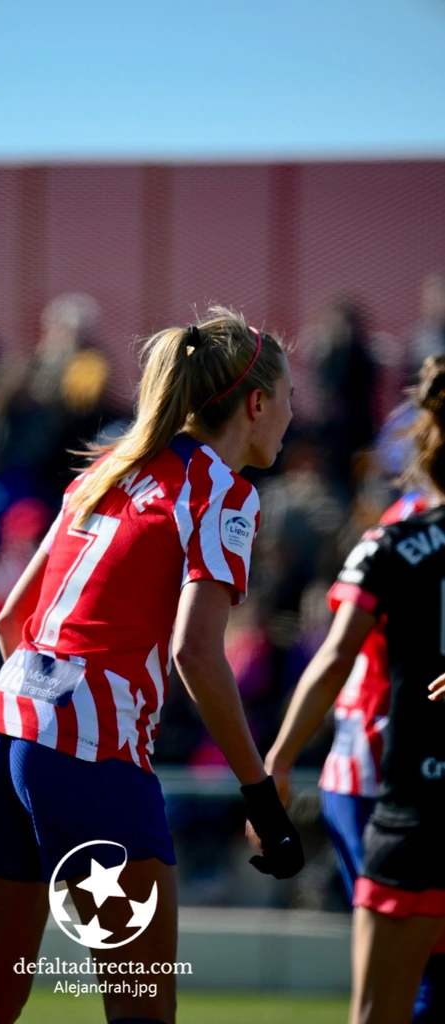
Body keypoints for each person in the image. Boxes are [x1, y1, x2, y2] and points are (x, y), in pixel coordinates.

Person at [0, 307, 303, 1024]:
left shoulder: (109, 466)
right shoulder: (222, 492)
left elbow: (11, 619)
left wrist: (40, 735)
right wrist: (260, 796)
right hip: (89, 748)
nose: (292, 414)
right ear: (257, 404)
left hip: (2, 726)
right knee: (141, 1011)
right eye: (288, 396)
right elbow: (196, 652)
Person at [263, 355, 445, 1024]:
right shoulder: (398, 530)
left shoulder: (394, 536)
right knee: (419, 975)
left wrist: (276, 763)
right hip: (379, 760)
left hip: (392, 771)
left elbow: (335, 652)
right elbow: (343, 657)